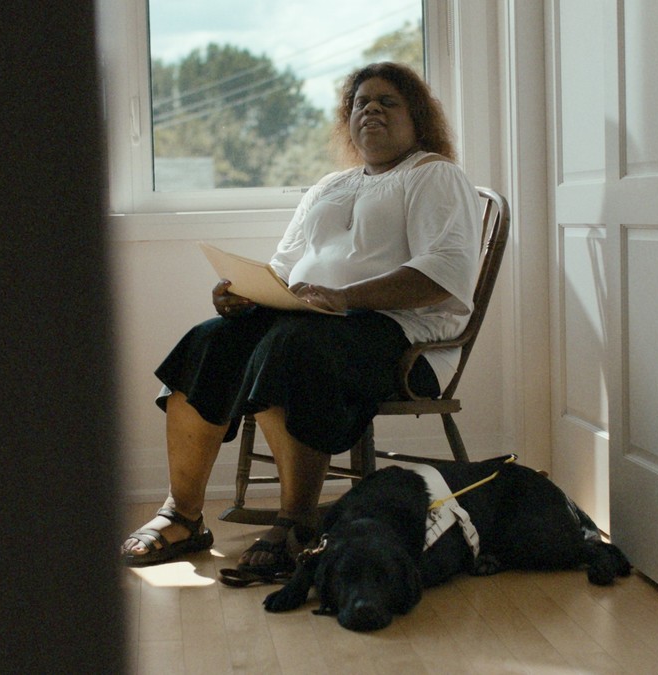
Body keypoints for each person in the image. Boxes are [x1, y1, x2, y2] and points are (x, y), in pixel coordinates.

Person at [122, 62, 483, 577]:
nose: (372, 110)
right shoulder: (330, 186)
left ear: (417, 117)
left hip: (401, 342)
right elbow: (285, 270)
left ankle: (297, 523)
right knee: (209, 340)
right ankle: (182, 516)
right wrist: (242, 293)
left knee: (293, 346)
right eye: (362, 103)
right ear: (348, 119)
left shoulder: (434, 175)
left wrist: (344, 297)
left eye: (388, 102)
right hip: (312, 322)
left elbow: (443, 275)